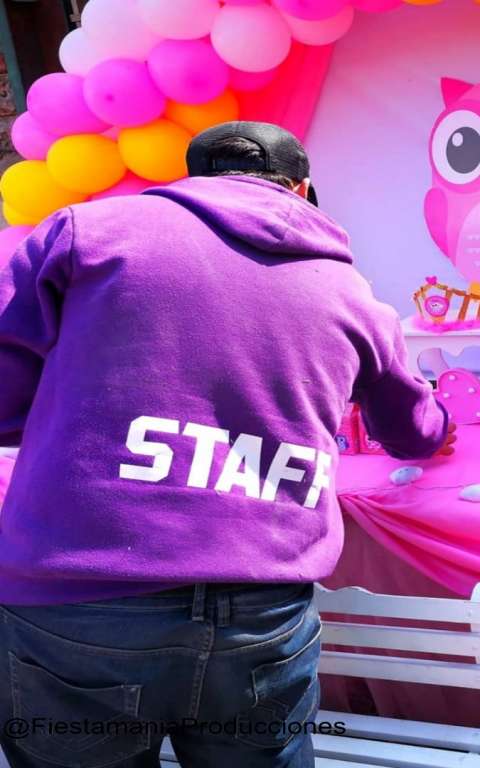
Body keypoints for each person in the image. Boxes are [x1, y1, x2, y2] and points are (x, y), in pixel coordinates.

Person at [0, 121, 455, 768]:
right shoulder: (351, 294)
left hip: (80, 594)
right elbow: (415, 431)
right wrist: (444, 422)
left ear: (192, 180)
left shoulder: (88, 232)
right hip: (261, 606)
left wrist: (75, 417)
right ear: (303, 190)